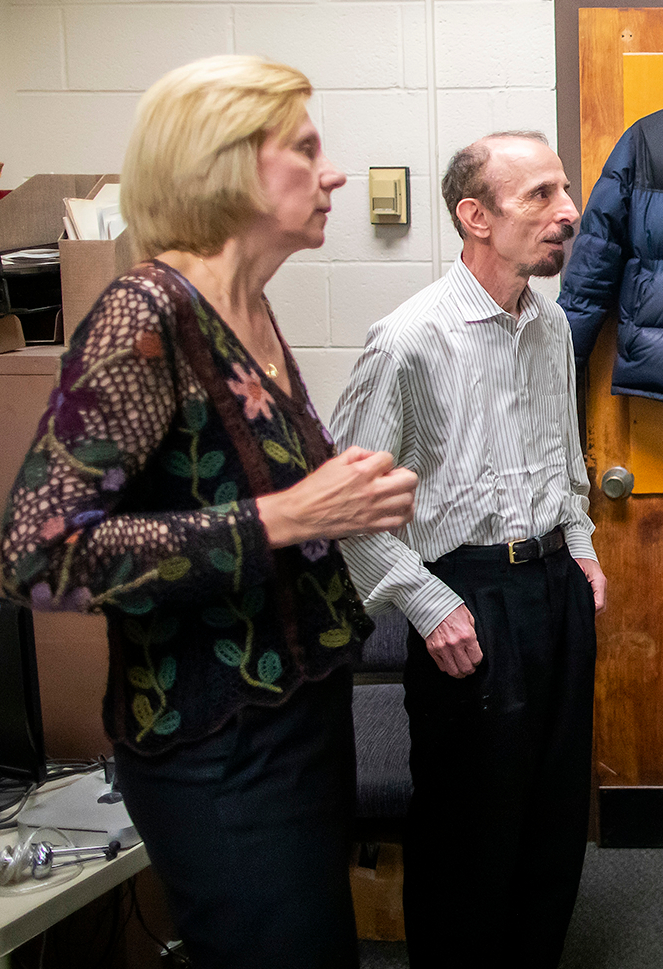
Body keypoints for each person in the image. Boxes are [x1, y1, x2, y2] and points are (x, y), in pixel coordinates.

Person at [0, 54, 419, 969]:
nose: (335, 171)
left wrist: (342, 503)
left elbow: (249, 494)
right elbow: (38, 551)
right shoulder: (144, 311)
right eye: (305, 149)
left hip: (301, 717)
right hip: (215, 746)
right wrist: (291, 517)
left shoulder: (250, 312)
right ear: (224, 164)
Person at [330, 131, 605, 968]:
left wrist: (582, 543)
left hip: (553, 584)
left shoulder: (550, 323)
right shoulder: (409, 339)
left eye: (565, 191)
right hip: (465, 595)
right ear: (474, 215)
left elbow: (566, 454)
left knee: (554, 815)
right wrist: (426, 602)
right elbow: (349, 507)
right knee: (469, 829)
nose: (568, 212)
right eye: (542, 197)